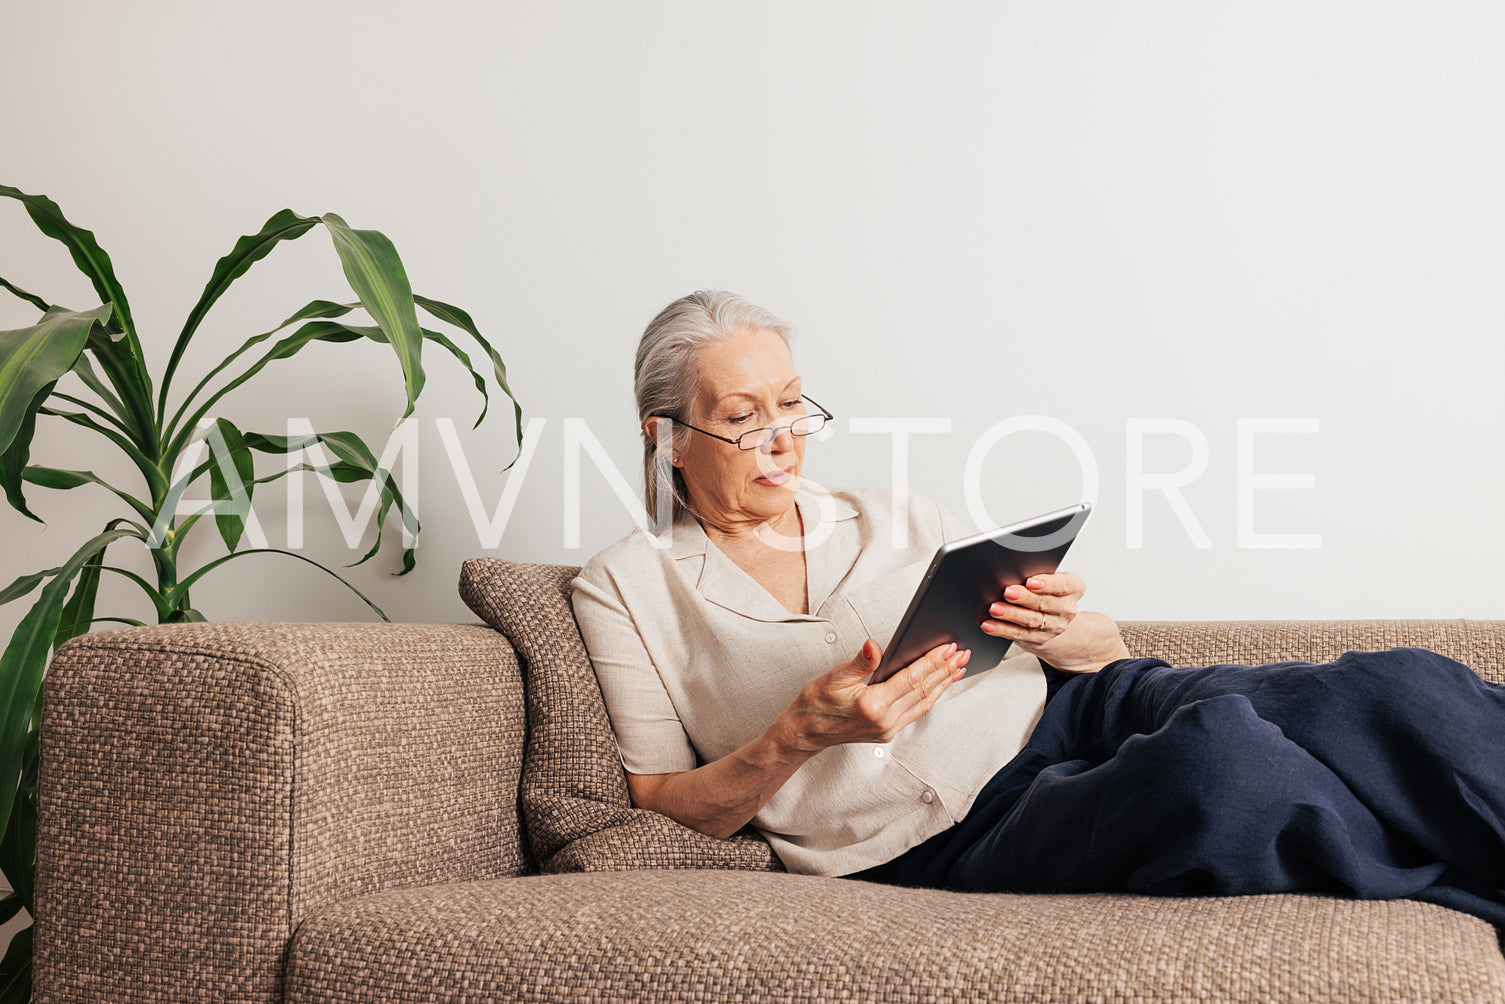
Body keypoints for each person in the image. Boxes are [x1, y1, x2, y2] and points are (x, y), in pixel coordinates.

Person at [570, 290, 1505, 928]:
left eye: (792, 404)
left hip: (1076, 705)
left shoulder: (891, 512)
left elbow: (1094, 651)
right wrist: (798, 735)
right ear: (667, 438)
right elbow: (663, 807)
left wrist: (1062, 631)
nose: (781, 438)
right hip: (958, 828)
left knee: (1398, 688)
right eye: (741, 417)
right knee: (1224, 765)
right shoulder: (623, 588)